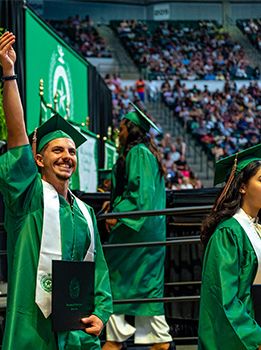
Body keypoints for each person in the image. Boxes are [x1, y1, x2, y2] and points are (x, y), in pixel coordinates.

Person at [0, 32, 112, 350]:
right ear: (39, 158)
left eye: (71, 151)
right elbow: (17, 136)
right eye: (57, 150)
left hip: (77, 336)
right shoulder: (28, 198)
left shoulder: (85, 213)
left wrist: (101, 314)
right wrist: (9, 74)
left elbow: (98, 271)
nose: (67, 156)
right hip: (34, 332)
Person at [103, 103, 174, 350]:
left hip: (136, 231)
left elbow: (139, 196)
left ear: (131, 130)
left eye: (121, 128)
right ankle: (156, 339)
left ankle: (116, 339)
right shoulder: (144, 153)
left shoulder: (138, 153)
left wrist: (115, 213)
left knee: (119, 278)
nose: (118, 133)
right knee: (143, 282)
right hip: (146, 230)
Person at [199, 142, 261, 350]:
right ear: (242, 186)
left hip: (260, 327)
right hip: (238, 339)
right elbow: (224, 298)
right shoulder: (228, 233)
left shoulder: (259, 230)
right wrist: (259, 340)